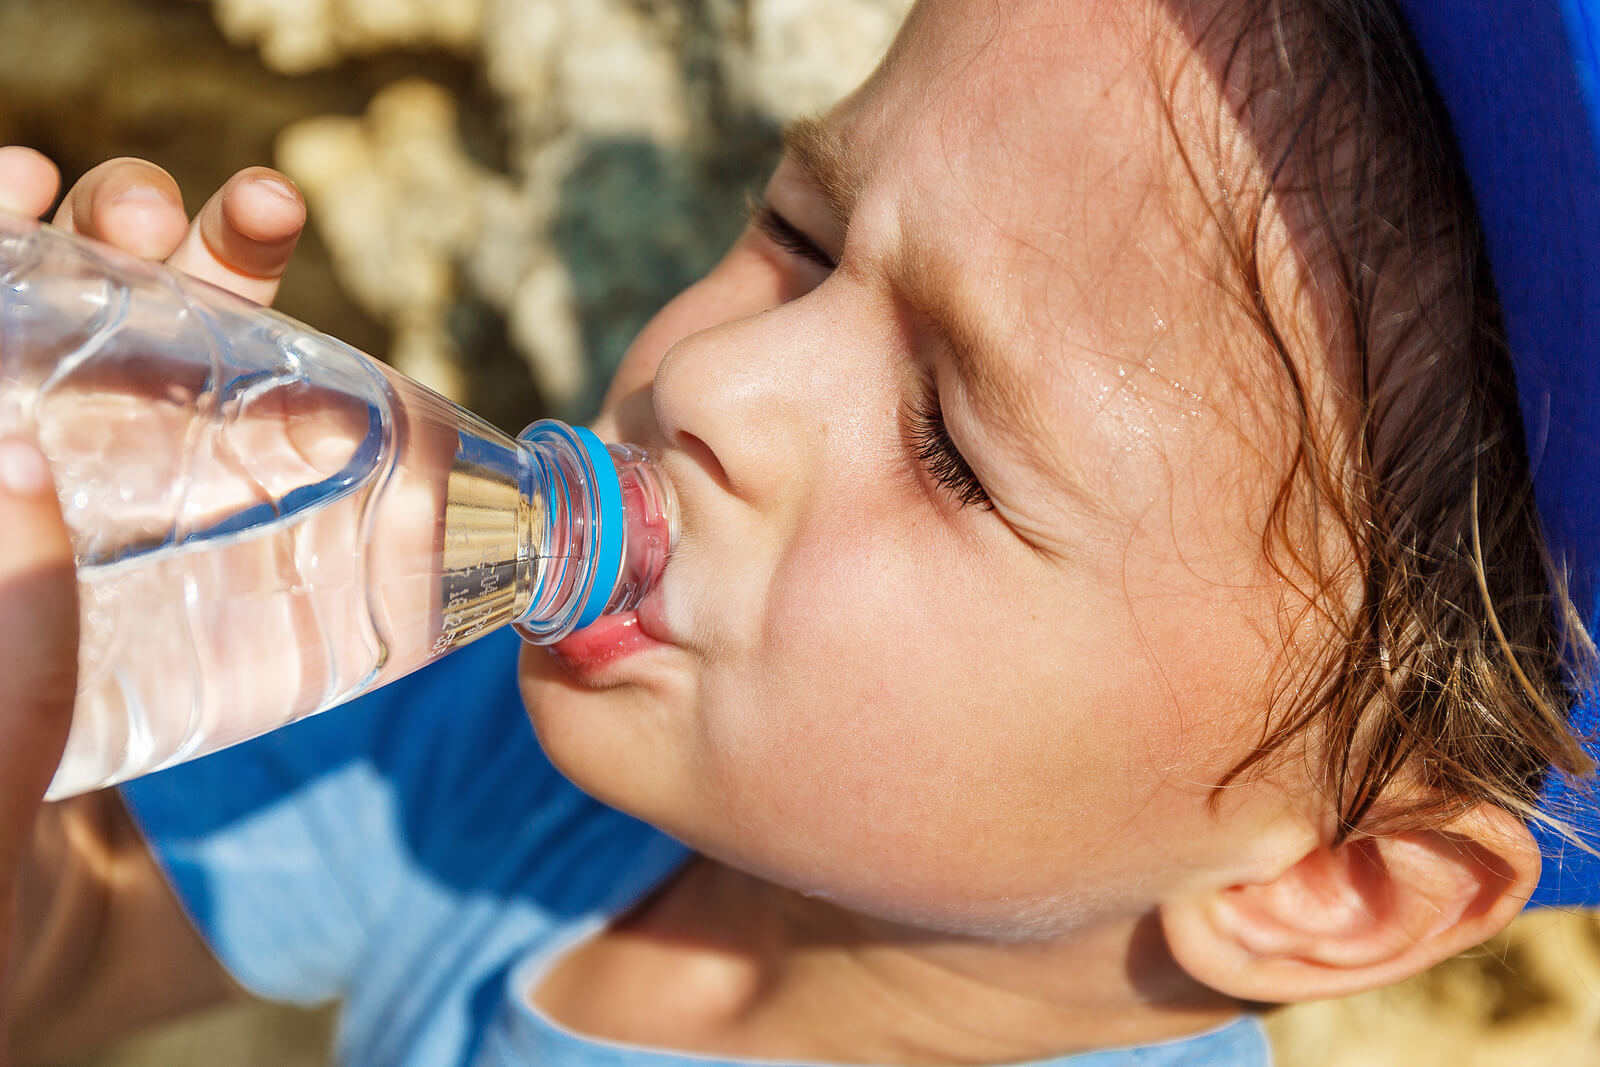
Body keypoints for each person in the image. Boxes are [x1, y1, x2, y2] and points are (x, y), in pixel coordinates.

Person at [1, 0, 1595, 1063]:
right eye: (804, 233)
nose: (710, 375)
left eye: (955, 452)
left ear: (1332, 885)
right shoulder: (557, 715)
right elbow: (65, 952)